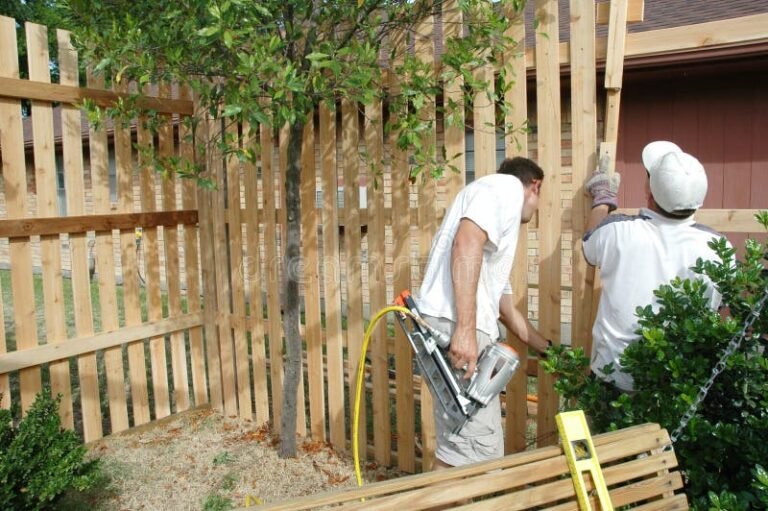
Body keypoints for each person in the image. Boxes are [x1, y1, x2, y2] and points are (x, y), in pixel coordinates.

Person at [417, 156, 552, 470]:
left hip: (453, 327)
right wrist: (465, 330)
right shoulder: (504, 188)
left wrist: (549, 350)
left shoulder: (495, 216)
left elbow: (504, 308)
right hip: (457, 329)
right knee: (474, 458)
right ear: (535, 185)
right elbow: (466, 243)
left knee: (461, 455)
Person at [583, 141, 728, 392]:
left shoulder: (617, 231)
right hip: (678, 384)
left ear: (650, 190)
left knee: (608, 434)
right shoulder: (717, 248)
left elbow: (588, 245)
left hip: (614, 378)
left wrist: (602, 198)